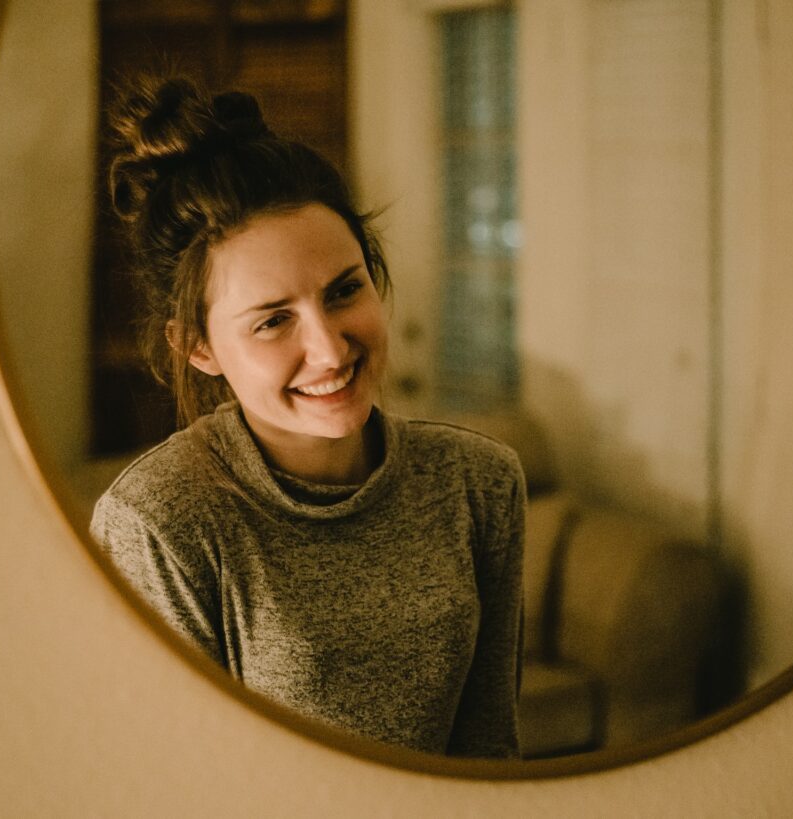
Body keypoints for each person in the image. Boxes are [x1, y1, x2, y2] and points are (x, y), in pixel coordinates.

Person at [89, 75, 525, 759]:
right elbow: (164, 787)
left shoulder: (481, 484)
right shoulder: (158, 523)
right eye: (272, 321)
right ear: (198, 347)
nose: (328, 348)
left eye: (344, 289)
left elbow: (489, 756)